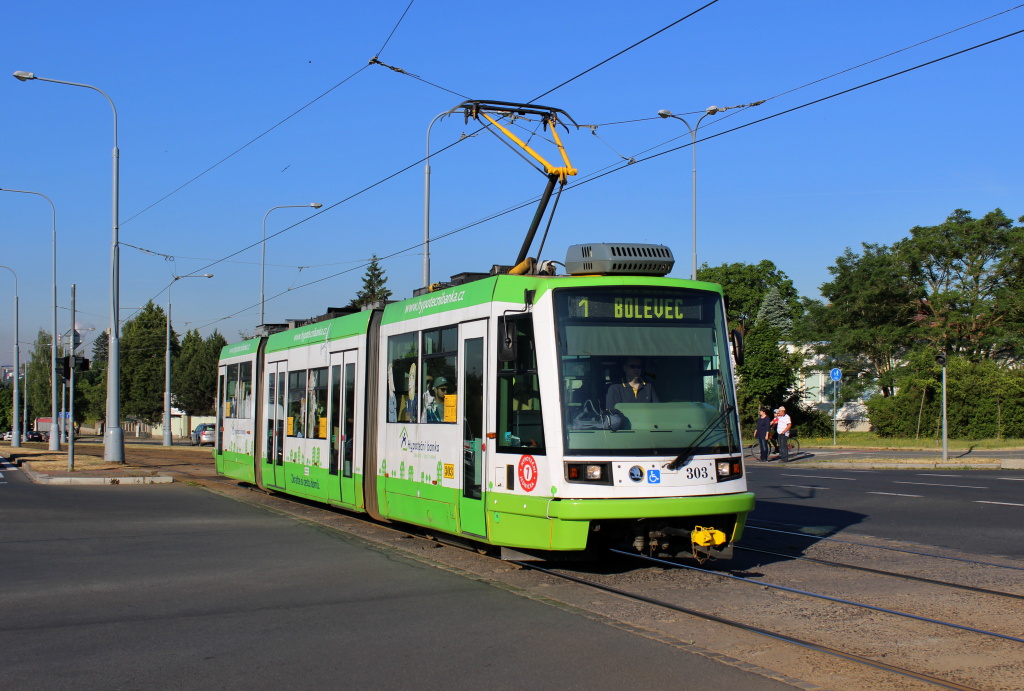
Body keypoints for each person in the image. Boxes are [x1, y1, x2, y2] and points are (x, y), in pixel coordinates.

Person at [606, 357, 659, 430]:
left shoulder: (649, 387)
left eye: (639, 367)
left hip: (646, 429)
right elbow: (612, 414)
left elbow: (656, 410)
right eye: (632, 366)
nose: (636, 369)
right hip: (624, 431)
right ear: (625, 368)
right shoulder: (614, 388)